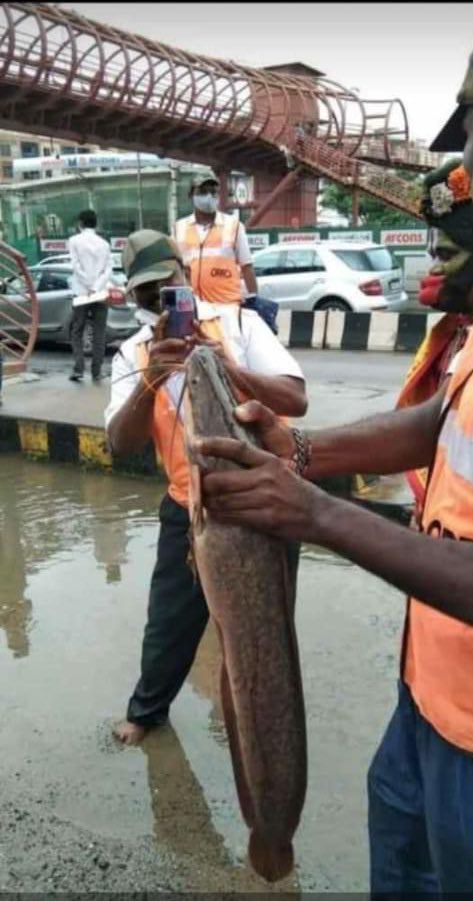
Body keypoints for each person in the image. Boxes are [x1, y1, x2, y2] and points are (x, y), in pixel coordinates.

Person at [196, 4, 473, 892]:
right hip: (433, 701)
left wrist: (313, 515)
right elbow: (442, 421)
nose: (460, 167)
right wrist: (303, 455)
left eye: (465, 138)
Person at [106, 229, 307, 745]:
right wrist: (152, 376)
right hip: (189, 510)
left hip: (264, 500)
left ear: (184, 274)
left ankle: (260, 721)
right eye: (146, 294)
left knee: (266, 624)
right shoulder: (132, 353)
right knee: (169, 621)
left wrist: (227, 368)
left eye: (165, 286)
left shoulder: (240, 322)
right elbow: (119, 443)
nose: (158, 301)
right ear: (134, 297)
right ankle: (147, 711)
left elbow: (294, 396)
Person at [396, 158, 473, 511]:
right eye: (434, 255)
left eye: (447, 255)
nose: (435, 269)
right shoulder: (452, 333)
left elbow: (424, 431)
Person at [174, 171, 258, 305]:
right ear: (191, 195)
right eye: (202, 192)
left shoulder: (234, 226)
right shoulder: (179, 228)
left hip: (227, 307)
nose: (208, 196)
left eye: (213, 192)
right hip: (192, 308)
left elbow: (247, 266)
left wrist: (254, 299)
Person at [67, 209, 112, 383]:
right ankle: (97, 371)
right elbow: (108, 269)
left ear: (80, 223)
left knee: (77, 330)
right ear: (96, 223)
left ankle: (78, 369)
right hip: (100, 292)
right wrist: (96, 286)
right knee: (99, 332)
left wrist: (87, 285)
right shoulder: (104, 244)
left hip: (81, 292)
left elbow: (75, 266)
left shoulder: (74, 241)